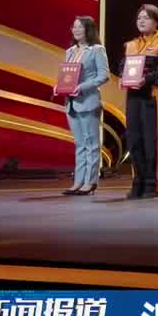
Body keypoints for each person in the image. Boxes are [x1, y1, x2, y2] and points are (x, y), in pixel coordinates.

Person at [121, 4, 158, 200]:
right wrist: (122, 77)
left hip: (153, 97)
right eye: (139, 18)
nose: (142, 21)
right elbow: (123, 66)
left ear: (156, 21)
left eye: (146, 17)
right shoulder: (130, 45)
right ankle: (137, 183)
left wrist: (146, 80)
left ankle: (152, 185)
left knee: (152, 143)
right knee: (134, 141)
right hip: (133, 98)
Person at [58, 16, 108, 196]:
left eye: (80, 27)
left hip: (88, 102)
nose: (76, 30)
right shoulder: (70, 51)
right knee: (79, 144)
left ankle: (90, 182)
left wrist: (82, 87)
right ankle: (78, 182)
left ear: (89, 30)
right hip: (71, 104)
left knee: (91, 144)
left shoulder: (97, 50)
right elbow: (67, 76)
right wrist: (59, 86)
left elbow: (103, 76)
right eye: (74, 27)